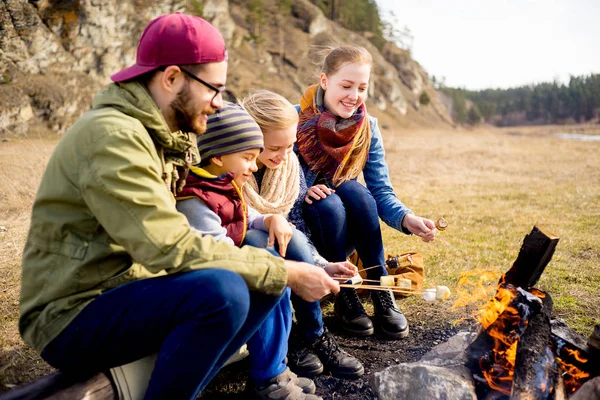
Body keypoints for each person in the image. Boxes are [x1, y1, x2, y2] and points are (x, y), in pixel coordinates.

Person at [18, 13, 338, 400]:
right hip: (72, 314)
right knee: (227, 291)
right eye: (214, 89)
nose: (218, 103)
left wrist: (283, 268)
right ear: (171, 79)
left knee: (258, 283)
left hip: (124, 292)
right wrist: (285, 270)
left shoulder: (161, 134)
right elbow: (167, 245)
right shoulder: (114, 138)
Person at [296, 45, 437, 340]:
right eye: (345, 86)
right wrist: (303, 192)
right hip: (305, 229)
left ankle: (381, 287)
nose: (354, 96)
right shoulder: (294, 120)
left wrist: (407, 219)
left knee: (355, 191)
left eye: (362, 88)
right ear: (325, 81)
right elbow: (275, 185)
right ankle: (346, 298)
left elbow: (381, 192)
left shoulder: (367, 127)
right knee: (327, 202)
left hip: (346, 231)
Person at [241, 90, 364, 380]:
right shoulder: (232, 164)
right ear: (249, 137)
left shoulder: (287, 166)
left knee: (293, 237)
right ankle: (290, 338)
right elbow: (231, 217)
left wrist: (322, 265)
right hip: (237, 248)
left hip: (279, 241)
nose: (284, 156)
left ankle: (315, 333)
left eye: (290, 146)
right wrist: (268, 220)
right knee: (262, 243)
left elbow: (295, 224)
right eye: (274, 148)